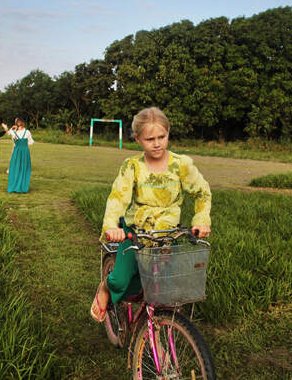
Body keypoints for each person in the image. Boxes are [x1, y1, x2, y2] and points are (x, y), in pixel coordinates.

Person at [90, 107, 212, 322]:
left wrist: (200, 221)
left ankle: (157, 333)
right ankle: (105, 288)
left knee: (162, 290)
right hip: (136, 232)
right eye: (149, 139)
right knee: (121, 280)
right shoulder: (132, 167)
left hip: (166, 234)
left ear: (168, 133)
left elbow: (202, 192)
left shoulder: (181, 165)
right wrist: (112, 226)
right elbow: (118, 198)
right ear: (138, 139)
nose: (157, 143)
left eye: (161, 137)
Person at [7, 118, 34, 193]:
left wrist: (12, 128)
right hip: (25, 151)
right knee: (24, 168)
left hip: (16, 151)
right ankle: (22, 187)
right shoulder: (27, 132)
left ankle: (14, 186)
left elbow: (9, 132)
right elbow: (31, 142)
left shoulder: (13, 132)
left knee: (15, 168)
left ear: (16, 124)